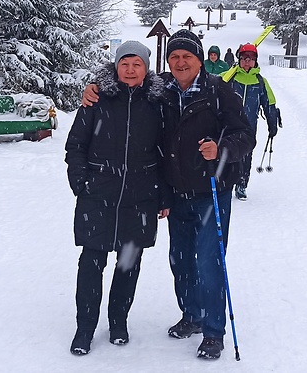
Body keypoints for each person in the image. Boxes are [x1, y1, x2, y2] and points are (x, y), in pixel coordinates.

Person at [82, 30, 255, 360]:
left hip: (211, 192)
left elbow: (245, 135)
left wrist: (222, 149)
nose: (179, 62)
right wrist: (93, 87)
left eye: (186, 57)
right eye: (174, 57)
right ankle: (191, 315)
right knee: (180, 260)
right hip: (177, 193)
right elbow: (124, 76)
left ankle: (213, 332)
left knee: (209, 261)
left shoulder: (219, 92)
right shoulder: (162, 90)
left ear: (199, 60)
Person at [65, 41, 171, 356]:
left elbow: (165, 153)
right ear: (116, 66)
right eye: (124, 63)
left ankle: (118, 322)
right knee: (91, 263)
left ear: (146, 68)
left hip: (139, 199)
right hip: (98, 195)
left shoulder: (158, 103)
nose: (130, 69)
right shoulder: (96, 99)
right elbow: (76, 146)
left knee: (128, 265)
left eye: (136, 64)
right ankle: (84, 328)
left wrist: (163, 195)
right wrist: (81, 183)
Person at [222, 43, 280, 200]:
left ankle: (242, 185)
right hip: (228, 126)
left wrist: (272, 122)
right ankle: (226, 184)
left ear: (255, 61)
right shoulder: (229, 78)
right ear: (239, 60)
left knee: (245, 157)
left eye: (251, 59)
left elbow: (269, 104)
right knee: (226, 154)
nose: (247, 62)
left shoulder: (260, 82)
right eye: (244, 58)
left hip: (248, 127)